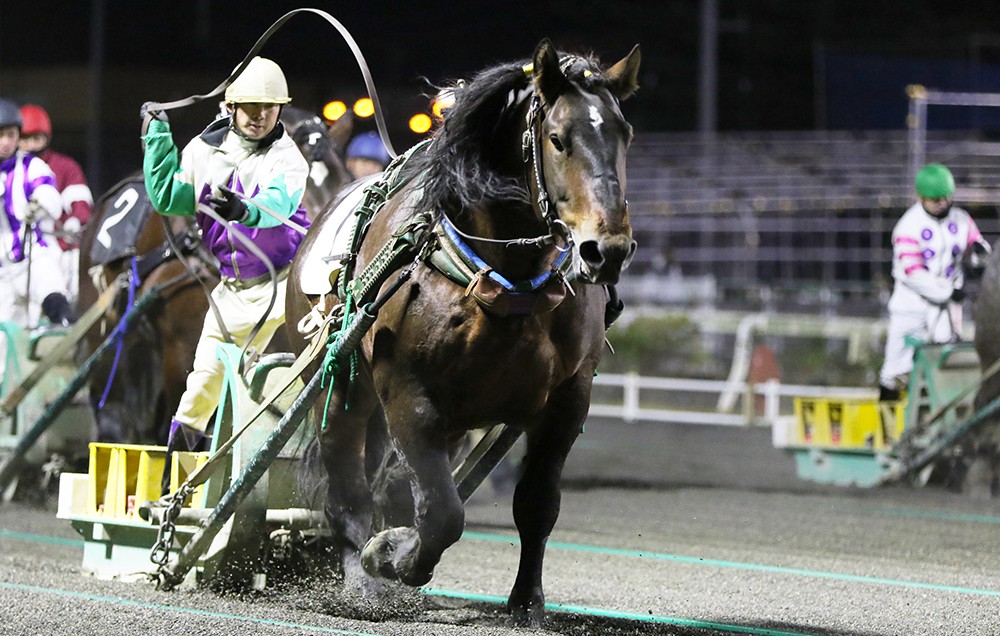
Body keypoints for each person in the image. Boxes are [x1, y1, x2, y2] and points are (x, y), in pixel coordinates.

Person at [141, 57, 310, 488]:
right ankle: (174, 492)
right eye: (251, 106)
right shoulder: (202, 150)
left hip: (286, 293)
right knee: (199, 393)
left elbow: (278, 203)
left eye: (269, 108)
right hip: (230, 296)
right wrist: (157, 136)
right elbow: (168, 198)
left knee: (256, 393)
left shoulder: (288, 158)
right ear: (231, 107)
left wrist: (245, 209)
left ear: (280, 110)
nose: (259, 116)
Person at [877, 163, 990, 401]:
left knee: (946, 365)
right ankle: (888, 424)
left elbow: (977, 245)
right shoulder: (908, 227)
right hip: (912, 307)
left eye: (946, 198)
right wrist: (949, 292)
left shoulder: (961, 219)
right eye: (935, 199)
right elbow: (913, 273)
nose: (941, 203)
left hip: (947, 310)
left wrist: (980, 254)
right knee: (896, 371)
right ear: (920, 197)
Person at [0, 97, 73, 329]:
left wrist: (38, 204)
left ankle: (66, 335)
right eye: (1, 135)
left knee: (54, 295)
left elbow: (50, 195)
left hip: (33, 256)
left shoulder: (32, 165)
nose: (6, 142)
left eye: (11, 135)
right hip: (2, 272)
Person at [18, 104, 94, 304]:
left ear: (47, 138)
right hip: (18, 253)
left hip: (60, 248)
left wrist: (76, 220)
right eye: (25, 139)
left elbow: (80, 201)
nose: (31, 145)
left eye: (37, 138)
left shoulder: (65, 167)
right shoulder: (11, 172)